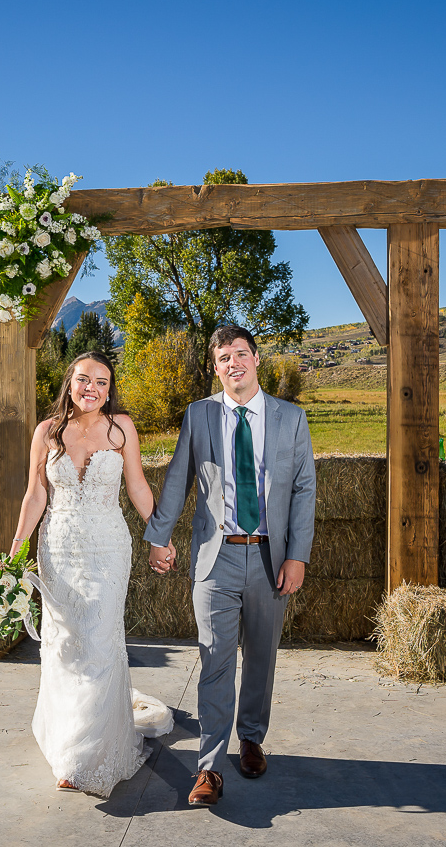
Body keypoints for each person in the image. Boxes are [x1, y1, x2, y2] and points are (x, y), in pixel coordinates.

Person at [144, 325, 316, 807]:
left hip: (269, 556)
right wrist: (159, 537)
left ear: (257, 359)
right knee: (215, 661)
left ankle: (252, 739)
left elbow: (304, 488)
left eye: (241, 353)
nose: (233, 362)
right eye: (223, 357)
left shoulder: (290, 418)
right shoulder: (198, 416)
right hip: (214, 559)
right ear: (216, 367)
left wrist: (297, 555)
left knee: (261, 657)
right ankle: (210, 768)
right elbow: (178, 478)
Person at [11, 351, 173, 796]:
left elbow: (137, 484)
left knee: (100, 640)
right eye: (84, 379)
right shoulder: (47, 432)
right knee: (64, 644)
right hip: (57, 548)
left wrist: (158, 535)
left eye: (102, 382)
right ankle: (68, 745)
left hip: (107, 547)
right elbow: (35, 495)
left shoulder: (121, 428)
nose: (92, 389)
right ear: (70, 382)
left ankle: (93, 753)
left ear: (109, 388)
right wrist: (13, 552)